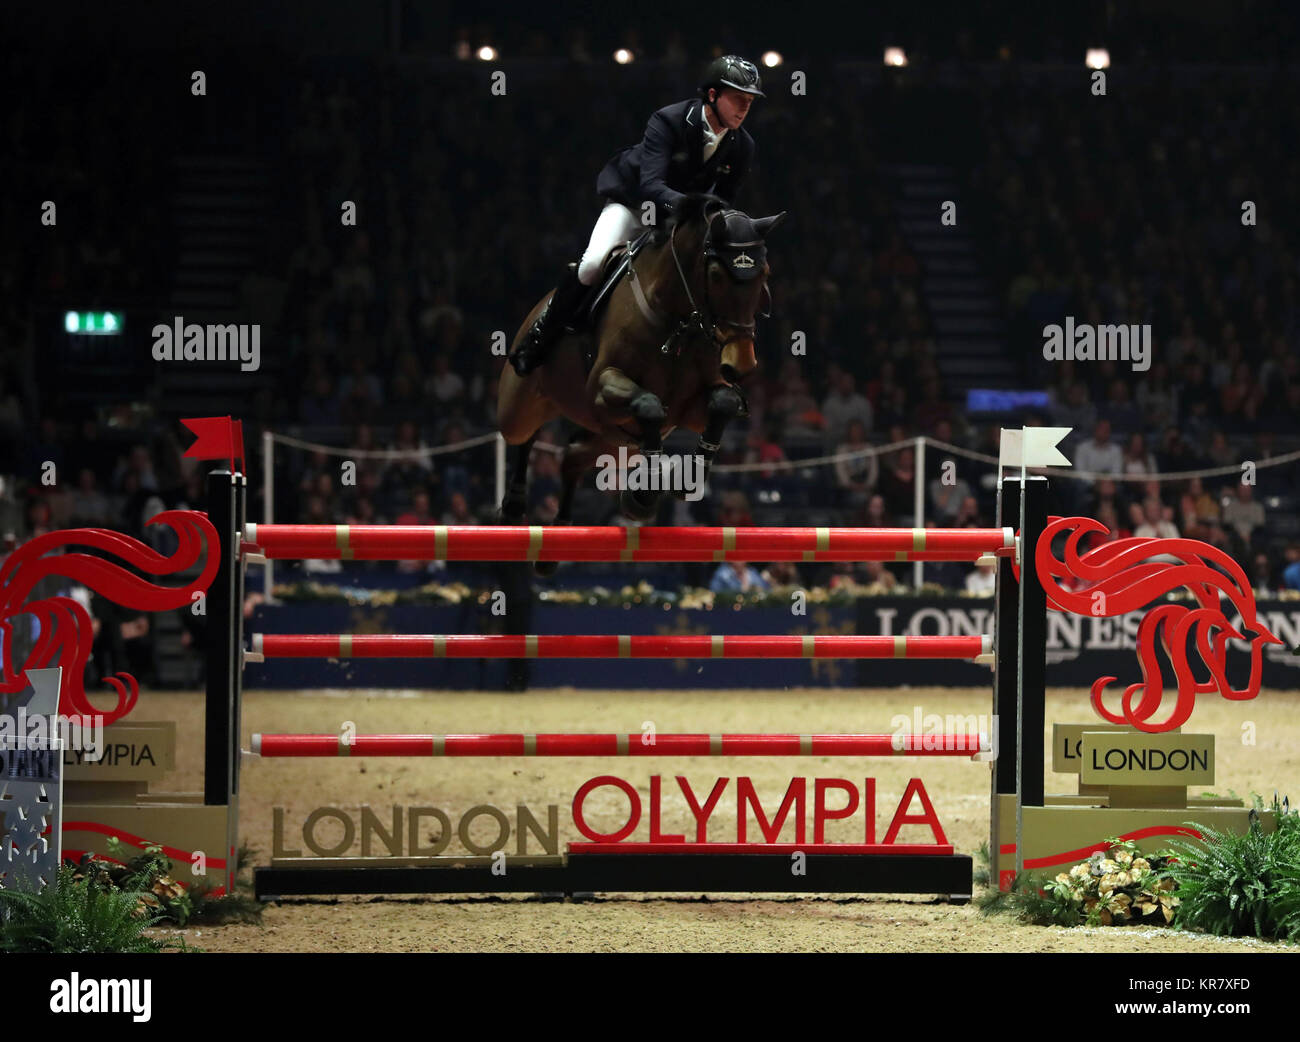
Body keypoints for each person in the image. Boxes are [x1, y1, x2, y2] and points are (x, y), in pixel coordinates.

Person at [509, 55, 765, 375]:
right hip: (634, 204)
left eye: (750, 101)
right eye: (738, 98)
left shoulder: (743, 146)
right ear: (712, 95)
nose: (744, 107)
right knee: (592, 264)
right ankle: (540, 338)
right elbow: (651, 185)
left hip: (680, 219)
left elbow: (723, 202)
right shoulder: (669, 120)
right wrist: (693, 208)